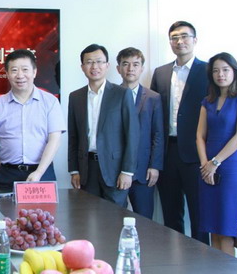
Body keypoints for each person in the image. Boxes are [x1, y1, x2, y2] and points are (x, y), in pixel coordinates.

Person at [0, 49, 66, 189]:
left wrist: (39, 172)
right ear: (7, 74)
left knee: (43, 205)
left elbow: (54, 140)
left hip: (42, 172)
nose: (20, 75)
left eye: (25, 69)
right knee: (5, 204)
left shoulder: (50, 102)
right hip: (8, 174)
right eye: (14, 70)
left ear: (34, 72)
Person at [150, 20, 209, 243]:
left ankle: (202, 259)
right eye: (174, 37)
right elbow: (155, 115)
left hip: (197, 153)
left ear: (195, 40)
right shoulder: (161, 73)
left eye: (184, 36)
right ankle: (174, 258)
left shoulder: (208, 71)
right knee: (171, 214)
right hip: (167, 153)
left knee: (199, 215)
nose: (180, 41)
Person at [68, 44, 139, 207]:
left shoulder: (122, 94)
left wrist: (127, 171)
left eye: (99, 61)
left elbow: (132, 135)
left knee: (115, 216)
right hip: (87, 168)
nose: (94, 67)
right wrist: (74, 170)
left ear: (107, 65)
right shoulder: (75, 97)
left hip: (115, 169)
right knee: (88, 215)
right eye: (89, 62)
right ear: (82, 67)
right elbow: (73, 136)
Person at [196, 52, 237, 255]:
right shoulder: (207, 101)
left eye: (225, 70)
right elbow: (200, 136)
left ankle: (226, 268)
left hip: (230, 167)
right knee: (212, 226)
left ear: (234, 72)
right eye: (216, 71)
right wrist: (205, 164)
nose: (220, 74)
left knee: (226, 227)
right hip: (206, 168)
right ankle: (214, 267)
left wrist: (215, 162)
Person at [116, 47, 164, 219]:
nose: (130, 69)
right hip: (116, 170)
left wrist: (155, 166)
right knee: (113, 219)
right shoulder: (111, 96)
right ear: (118, 68)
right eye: (125, 64)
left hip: (144, 170)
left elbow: (158, 134)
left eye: (135, 64)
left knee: (145, 220)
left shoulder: (153, 98)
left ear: (142, 68)